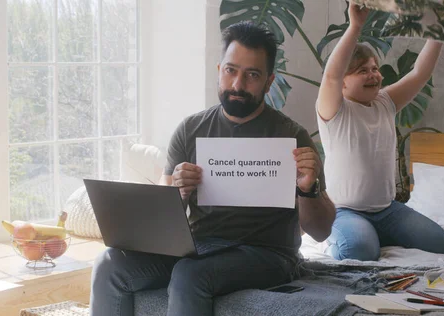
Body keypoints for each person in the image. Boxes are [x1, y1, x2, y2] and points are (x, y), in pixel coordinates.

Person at [89, 21, 336, 316]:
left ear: (269, 82)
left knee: (190, 274)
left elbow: (320, 233)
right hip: (199, 245)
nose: (237, 85)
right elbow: (162, 211)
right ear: (219, 70)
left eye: (252, 75)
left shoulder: (292, 137)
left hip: (268, 253)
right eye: (231, 71)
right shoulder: (191, 129)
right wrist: (177, 193)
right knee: (109, 264)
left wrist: (308, 190)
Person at [316, 4, 444, 261]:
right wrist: (355, 26)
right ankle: (350, 235)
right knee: (358, 252)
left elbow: (420, 73)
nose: (373, 75)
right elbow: (331, 76)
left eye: (375, 68)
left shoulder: (385, 102)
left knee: (439, 242)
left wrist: (440, 31)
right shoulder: (335, 111)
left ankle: (372, 233)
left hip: (387, 210)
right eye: (362, 71)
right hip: (345, 210)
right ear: (343, 83)